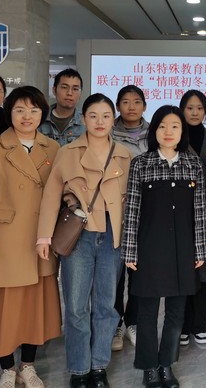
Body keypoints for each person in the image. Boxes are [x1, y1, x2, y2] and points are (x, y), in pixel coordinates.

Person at [0, 86, 61, 388]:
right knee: (2, 309)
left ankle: (28, 366)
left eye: (33, 110)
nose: (26, 116)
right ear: (9, 113)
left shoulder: (53, 149)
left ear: (42, 114)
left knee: (34, 307)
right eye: (19, 110)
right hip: (3, 240)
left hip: (39, 240)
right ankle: (7, 367)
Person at [38, 93, 131, 388]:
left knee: (106, 305)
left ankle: (99, 366)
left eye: (106, 116)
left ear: (113, 119)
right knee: (77, 306)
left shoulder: (125, 154)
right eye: (93, 115)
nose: (99, 121)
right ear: (83, 118)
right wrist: (44, 235)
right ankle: (79, 369)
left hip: (113, 237)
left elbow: (134, 202)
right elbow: (51, 195)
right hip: (79, 235)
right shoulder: (68, 152)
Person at [122, 105, 206, 388]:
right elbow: (132, 209)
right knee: (146, 312)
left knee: (176, 312)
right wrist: (130, 250)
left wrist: (199, 249)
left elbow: (200, 210)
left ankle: (166, 365)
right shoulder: (141, 163)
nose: (168, 132)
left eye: (175, 126)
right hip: (149, 247)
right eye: (162, 126)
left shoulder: (193, 164)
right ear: (154, 130)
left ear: (182, 132)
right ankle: (149, 366)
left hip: (183, 247)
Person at [178, 89, 206, 346]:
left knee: (203, 273)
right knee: (182, 271)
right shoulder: (174, 135)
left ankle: (200, 326)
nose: (195, 112)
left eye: (199, 108)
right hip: (179, 212)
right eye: (189, 108)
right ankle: (183, 325)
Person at [112, 84, 150, 350]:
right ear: (118, 106)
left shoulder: (155, 133)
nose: (131, 106)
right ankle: (115, 324)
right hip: (114, 212)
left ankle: (133, 322)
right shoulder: (107, 133)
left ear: (144, 106)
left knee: (140, 274)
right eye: (125, 102)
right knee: (114, 274)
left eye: (136, 101)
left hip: (145, 212)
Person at [38, 68, 86, 146]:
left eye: (75, 89)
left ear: (80, 94)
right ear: (54, 90)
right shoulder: (39, 119)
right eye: (64, 87)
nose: (69, 93)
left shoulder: (86, 123)